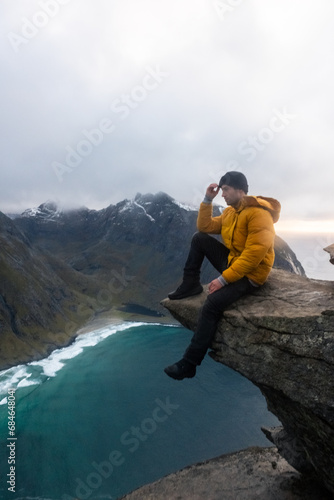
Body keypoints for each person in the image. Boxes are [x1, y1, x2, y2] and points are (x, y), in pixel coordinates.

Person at [164, 171, 281, 380]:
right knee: (199, 238)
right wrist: (207, 199)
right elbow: (205, 227)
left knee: (212, 305)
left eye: (226, 190)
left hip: (252, 274)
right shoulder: (230, 213)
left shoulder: (259, 214)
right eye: (222, 191)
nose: (223, 195)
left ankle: (189, 364)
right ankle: (190, 285)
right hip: (234, 262)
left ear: (241, 190)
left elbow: (253, 256)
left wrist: (223, 279)